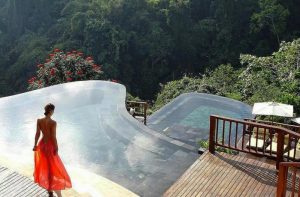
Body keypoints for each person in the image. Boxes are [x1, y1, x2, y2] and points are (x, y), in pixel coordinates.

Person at [33, 103, 72, 197]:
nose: (53, 112)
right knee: (53, 168)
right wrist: (56, 147)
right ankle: (53, 189)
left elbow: (37, 133)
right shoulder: (53, 123)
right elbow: (53, 137)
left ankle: (50, 190)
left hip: (42, 145)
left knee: (45, 167)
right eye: (53, 110)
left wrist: (35, 145)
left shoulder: (39, 120)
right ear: (51, 111)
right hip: (50, 147)